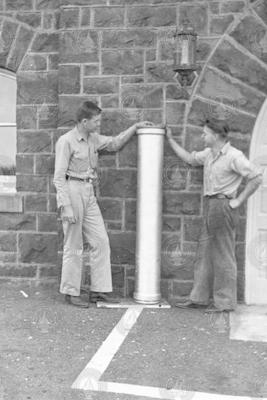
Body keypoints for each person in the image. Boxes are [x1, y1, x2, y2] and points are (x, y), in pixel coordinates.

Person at [54, 101, 152, 307]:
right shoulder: (66, 141)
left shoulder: (93, 139)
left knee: (101, 241)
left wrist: (134, 128)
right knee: (74, 245)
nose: (99, 124)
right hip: (73, 191)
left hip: (89, 193)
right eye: (96, 121)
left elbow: (115, 143)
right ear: (84, 121)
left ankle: (98, 290)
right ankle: (71, 292)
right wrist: (66, 206)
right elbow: (58, 177)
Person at [166, 118, 262, 313]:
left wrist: (238, 200)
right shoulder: (209, 154)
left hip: (224, 206)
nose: (202, 136)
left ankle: (225, 302)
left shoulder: (234, 156)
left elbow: (257, 176)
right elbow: (190, 159)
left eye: (205, 133)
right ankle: (198, 298)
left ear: (216, 136)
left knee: (223, 255)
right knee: (204, 254)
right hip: (210, 205)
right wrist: (170, 139)